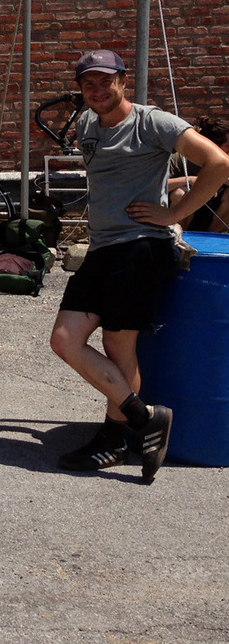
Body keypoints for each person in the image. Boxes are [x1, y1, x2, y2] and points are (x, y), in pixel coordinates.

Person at [49, 49, 229, 481]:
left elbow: (219, 163)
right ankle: (147, 419)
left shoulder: (153, 122)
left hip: (141, 248)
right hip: (103, 248)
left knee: (119, 346)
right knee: (64, 339)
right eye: (88, 83)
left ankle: (114, 440)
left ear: (123, 81)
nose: (97, 90)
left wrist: (170, 215)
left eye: (105, 81)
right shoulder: (90, 124)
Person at [166, 116, 229, 232]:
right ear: (213, 146)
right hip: (183, 210)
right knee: (180, 193)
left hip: (213, 209)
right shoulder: (178, 159)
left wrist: (216, 180)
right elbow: (158, 185)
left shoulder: (225, 160)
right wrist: (189, 180)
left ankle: (213, 237)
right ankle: (182, 238)